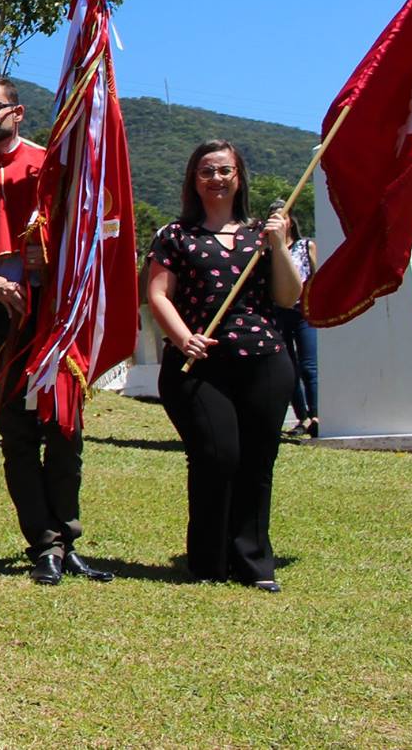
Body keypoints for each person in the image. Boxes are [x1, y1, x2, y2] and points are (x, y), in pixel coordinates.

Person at [0, 75, 112, 585]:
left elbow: (82, 237)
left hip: (53, 313)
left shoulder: (51, 168)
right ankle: (43, 543)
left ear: (18, 112)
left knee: (64, 423)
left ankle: (67, 534)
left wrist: (48, 264)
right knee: (15, 428)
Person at [147, 141, 300, 591]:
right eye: (206, 171)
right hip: (198, 364)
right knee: (217, 456)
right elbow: (158, 294)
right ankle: (208, 561)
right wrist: (182, 338)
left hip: (265, 360)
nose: (216, 178)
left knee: (257, 461)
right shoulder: (174, 235)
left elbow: (289, 297)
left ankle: (253, 563)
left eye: (224, 170)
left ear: (239, 177)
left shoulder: (262, 235)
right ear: (193, 180)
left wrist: (279, 244)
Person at [272, 205, 320, 439]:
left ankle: (317, 415)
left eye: (282, 217)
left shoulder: (305, 246)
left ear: (290, 221)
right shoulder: (269, 251)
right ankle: (302, 417)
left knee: (309, 366)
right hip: (279, 313)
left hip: (303, 312)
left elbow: (316, 275)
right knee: (288, 368)